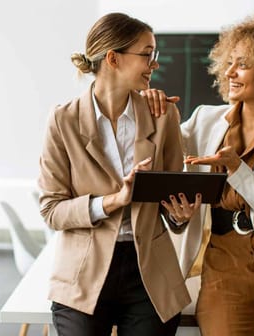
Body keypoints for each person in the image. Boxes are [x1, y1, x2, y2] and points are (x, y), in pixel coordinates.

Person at [142, 11, 254, 336]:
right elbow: (161, 152)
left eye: (242, 64)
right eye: (229, 62)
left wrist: (237, 169)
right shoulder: (205, 120)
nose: (229, 72)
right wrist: (154, 110)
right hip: (221, 271)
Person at [37, 12, 203, 336]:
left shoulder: (162, 115)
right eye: (147, 54)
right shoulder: (63, 121)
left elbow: (171, 199)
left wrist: (180, 216)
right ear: (113, 58)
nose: (154, 64)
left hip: (149, 274)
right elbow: (51, 210)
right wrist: (113, 201)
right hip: (83, 271)